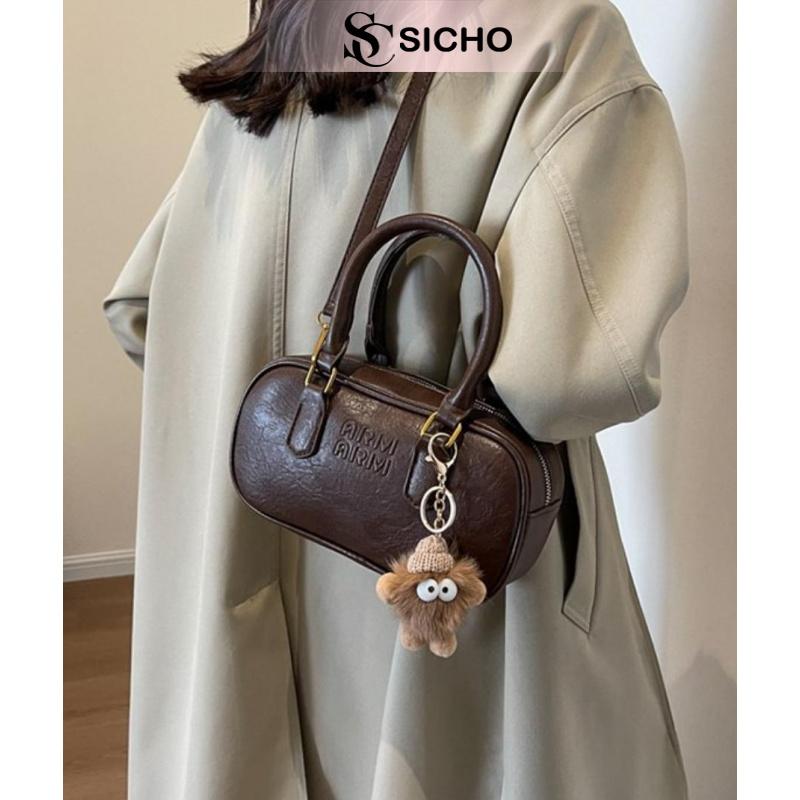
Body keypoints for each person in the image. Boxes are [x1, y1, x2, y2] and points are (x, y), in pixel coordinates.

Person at [104, 1, 689, 797]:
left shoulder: (290, 42)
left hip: (238, 529)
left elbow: (141, 310)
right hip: (434, 574)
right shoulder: (558, 32)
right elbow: (562, 378)